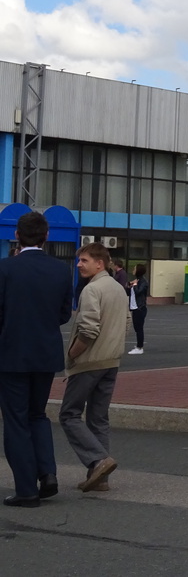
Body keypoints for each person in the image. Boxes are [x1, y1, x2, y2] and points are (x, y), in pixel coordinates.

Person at [0, 212, 74, 507]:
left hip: (11, 355)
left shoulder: (5, 269)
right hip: (46, 353)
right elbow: (64, 314)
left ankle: (26, 489)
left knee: (16, 420)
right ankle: (48, 473)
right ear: (46, 237)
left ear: (17, 236)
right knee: (38, 415)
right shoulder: (60, 270)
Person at [60, 242, 127, 493]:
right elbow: (126, 323)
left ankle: (99, 460)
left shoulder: (92, 290)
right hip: (111, 362)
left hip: (89, 362)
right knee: (98, 418)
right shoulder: (119, 288)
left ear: (100, 263)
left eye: (84, 260)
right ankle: (100, 478)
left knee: (69, 414)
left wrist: (72, 355)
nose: (79, 265)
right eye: (79, 260)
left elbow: (88, 329)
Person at [127, 264, 149, 354]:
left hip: (140, 308)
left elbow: (138, 292)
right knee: (137, 328)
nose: (133, 270)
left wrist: (135, 284)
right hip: (135, 307)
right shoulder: (138, 280)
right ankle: (138, 346)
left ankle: (140, 347)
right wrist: (130, 285)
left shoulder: (143, 281)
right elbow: (130, 292)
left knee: (139, 328)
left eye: (135, 268)